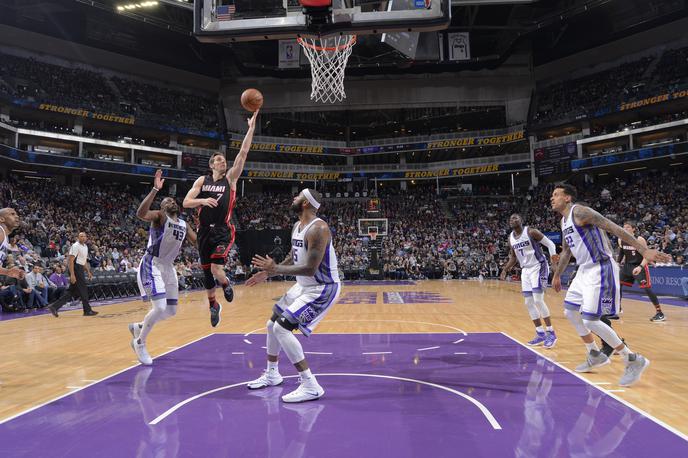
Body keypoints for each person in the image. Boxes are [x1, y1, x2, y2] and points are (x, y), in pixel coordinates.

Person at [550, 184, 671, 386]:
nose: (552, 198)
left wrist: (643, 250)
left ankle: (632, 359)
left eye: (556, 195)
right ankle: (594, 353)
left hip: (601, 267)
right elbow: (566, 251)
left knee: (590, 320)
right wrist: (557, 275)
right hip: (583, 271)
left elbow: (613, 227)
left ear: (568, 198)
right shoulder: (564, 221)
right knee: (570, 311)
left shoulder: (580, 211)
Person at [245, 188, 341, 403]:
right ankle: (272, 374)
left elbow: (309, 269)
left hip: (322, 288)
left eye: (298, 196)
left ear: (306, 203)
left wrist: (276, 269)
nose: (293, 198)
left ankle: (310, 385)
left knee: (281, 327)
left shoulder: (319, 229)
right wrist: (267, 272)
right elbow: (293, 255)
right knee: (271, 325)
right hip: (303, 286)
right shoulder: (298, 226)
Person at [183, 110, 258, 327]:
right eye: (219, 160)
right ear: (211, 165)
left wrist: (251, 128)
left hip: (223, 230)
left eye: (224, 160)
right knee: (206, 273)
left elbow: (243, 153)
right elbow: (187, 202)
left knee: (216, 269)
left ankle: (225, 283)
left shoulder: (231, 179)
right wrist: (202, 201)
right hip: (203, 231)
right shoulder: (202, 181)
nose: (223, 162)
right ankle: (213, 305)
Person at [128, 170, 197, 365]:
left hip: (168, 267)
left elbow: (197, 243)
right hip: (152, 264)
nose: (170, 201)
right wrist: (154, 190)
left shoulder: (184, 224)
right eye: (166, 200)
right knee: (159, 307)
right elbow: (141, 214)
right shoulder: (160, 216)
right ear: (163, 206)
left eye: (172, 199)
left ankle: (140, 326)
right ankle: (139, 342)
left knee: (171, 311)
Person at [500, 214, 559, 348]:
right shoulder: (511, 238)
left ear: (521, 220)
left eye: (515, 217)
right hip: (525, 270)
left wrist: (554, 263)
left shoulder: (531, 232)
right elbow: (514, 257)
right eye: (510, 219)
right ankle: (540, 333)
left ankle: (551, 333)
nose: (513, 219)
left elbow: (550, 244)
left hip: (539, 266)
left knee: (538, 300)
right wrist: (505, 269)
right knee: (528, 302)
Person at [618, 221, 665, 322]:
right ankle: (617, 308)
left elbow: (647, 256)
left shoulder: (639, 239)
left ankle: (660, 313)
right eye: (624, 227)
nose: (625, 229)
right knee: (617, 285)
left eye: (628, 227)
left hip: (640, 265)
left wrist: (640, 267)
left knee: (647, 288)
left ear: (633, 229)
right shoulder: (620, 239)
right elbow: (621, 253)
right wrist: (617, 264)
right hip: (627, 266)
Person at [46, 232, 98, 316]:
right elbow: (70, 261)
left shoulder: (85, 247)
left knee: (71, 291)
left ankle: (54, 306)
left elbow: (83, 261)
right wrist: (72, 275)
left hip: (80, 268)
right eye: (81, 236)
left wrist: (88, 272)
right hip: (74, 268)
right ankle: (87, 310)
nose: (83, 237)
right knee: (83, 289)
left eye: (84, 236)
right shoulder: (75, 246)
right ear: (78, 237)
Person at [0, 208, 26, 281]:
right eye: (12, 214)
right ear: (1, 219)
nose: (17, 216)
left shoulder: (5, 237)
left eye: (16, 214)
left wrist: (7, 272)